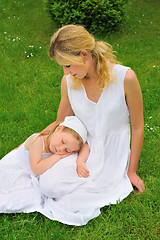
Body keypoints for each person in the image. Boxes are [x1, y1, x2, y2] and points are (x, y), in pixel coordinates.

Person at [38, 24, 145, 225]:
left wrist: (131, 172)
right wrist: (35, 139)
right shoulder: (68, 81)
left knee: (72, 202)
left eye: (68, 65)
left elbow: (138, 127)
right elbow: (60, 121)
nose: (66, 72)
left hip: (113, 155)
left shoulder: (125, 78)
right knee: (48, 185)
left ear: (84, 55)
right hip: (79, 149)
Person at [0, 116, 89, 213]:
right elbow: (36, 169)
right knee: (8, 191)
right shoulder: (37, 141)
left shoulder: (64, 143)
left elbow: (86, 146)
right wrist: (57, 157)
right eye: (63, 142)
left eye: (67, 150)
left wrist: (80, 161)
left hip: (30, 176)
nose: (61, 149)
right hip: (17, 169)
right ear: (59, 128)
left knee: (34, 198)